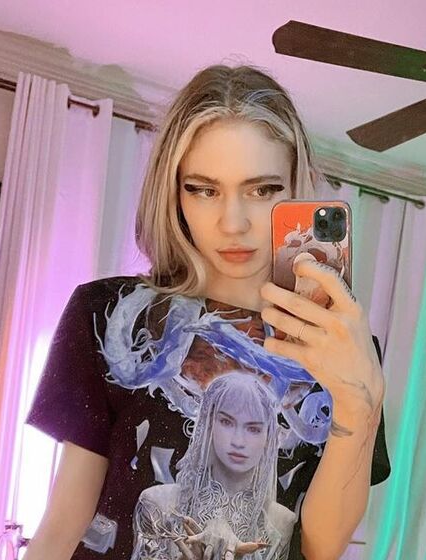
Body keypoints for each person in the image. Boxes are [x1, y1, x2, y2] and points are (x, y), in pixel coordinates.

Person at [22, 63, 390, 560]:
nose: (232, 222)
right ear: (174, 192)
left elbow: (320, 548)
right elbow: (64, 522)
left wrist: (360, 404)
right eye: (203, 189)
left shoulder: (340, 347)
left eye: (262, 190)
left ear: (296, 188)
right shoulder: (109, 313)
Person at [131, 372, 294, 560]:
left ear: (268, 437)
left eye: (253, 429)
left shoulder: (280, 523)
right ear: (208, 425)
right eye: (226, 422)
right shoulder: (158, 504)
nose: (238, 441)